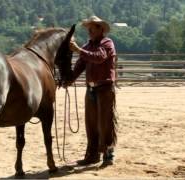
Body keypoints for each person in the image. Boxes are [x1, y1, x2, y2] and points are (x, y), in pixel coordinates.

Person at [66, 15, 118, 166]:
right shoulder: (87, 46)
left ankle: (108, 154)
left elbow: (99, 57)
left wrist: (77, 49)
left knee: (105, 122)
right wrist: (68, 80)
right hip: (91, 88)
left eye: (92, 27)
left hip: (105, 88)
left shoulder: (107, 43)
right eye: (88, 27)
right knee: (91, 123)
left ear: (100, 29)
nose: (89, 30)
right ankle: (92, 154)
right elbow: (80, 65)